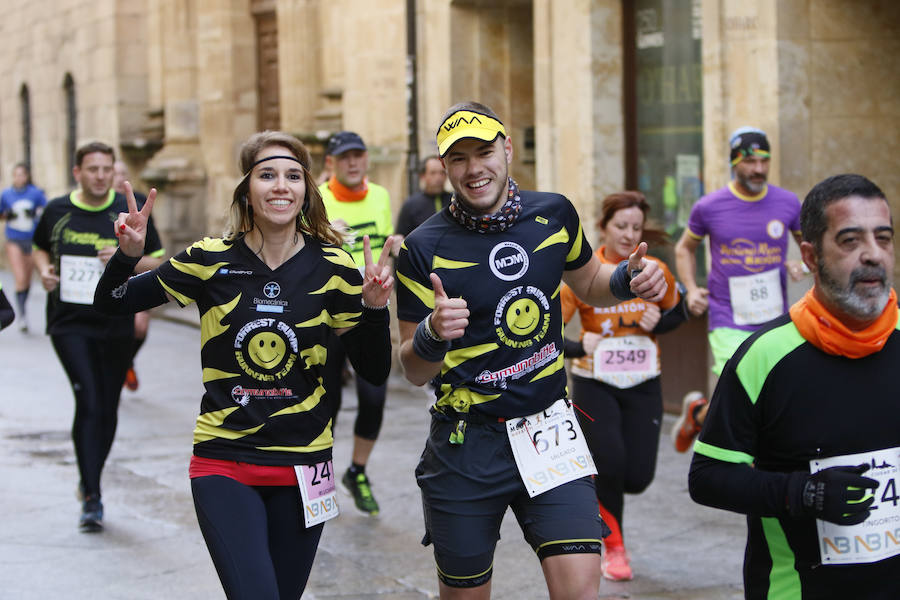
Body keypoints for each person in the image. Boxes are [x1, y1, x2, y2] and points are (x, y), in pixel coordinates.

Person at [93, 131, 394, 599]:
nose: (281, 186)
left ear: (307, 190)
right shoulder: (208, 260)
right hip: (225, 461)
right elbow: (111, 302)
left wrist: (374, 311)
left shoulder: (335, 267)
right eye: (267, 174)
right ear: (246, 190)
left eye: (294, 176)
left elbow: (374, 372)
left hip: (305, 465)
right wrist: (128, 259)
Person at [396, 101, 668, 599]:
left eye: (484, 151)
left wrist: (629, 278)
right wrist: (433, 333)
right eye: (458, 159)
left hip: (548, 430)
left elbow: (590, 282)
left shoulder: (554, 213)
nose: (474, 168)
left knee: (581, 590)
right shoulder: (422, 246)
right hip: (466, 444)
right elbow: (411, 367)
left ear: (506, 150)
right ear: (445, 167)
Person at [688, 173, 899, 598]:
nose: (872, 255)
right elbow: (708, 478)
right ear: (810, 255)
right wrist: (806, 493)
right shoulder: (764, 356)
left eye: (883, 237)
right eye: (850, 241)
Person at [32, 142, 165, 532]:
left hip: (115, 321)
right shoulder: (57, 210)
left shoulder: (132, 206)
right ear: (78, 172)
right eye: (92, 169)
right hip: (69, 321)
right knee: (88, 398)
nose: (101, 176)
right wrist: (43, 272)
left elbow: (157, 259)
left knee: (106, 406)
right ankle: (92, 494)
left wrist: (126, 258)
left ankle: (91, 476)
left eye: (107, 168)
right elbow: (40, 248)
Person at [560, 191, 687, 581]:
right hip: (594, 381)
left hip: (644, 378)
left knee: (638, 477)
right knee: (610, 464)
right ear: (603, 227)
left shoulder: (653, 270)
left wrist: (658, 322)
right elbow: (544, 333)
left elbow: (677, 312)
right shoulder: (587, 271)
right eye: (621, 226)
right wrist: (582, 344)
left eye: (636, 227)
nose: (629, 234)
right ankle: (614, 547)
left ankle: (690, 418)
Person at [671, 127, 803, 452]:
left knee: (769, 391)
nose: (758, 169)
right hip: (727, 316)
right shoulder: (709, 206)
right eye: (749, 161)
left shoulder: (787, 203)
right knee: (742, 385)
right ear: (734, 163)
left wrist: (802, 264)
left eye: (764, 161)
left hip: (774, 318)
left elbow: (811, 246)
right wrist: (691, 288)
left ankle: (698, 414)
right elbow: (683, 249)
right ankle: (754, 461)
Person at [318, 130, 395, 515]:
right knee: (326, 402)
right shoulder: (318, 198)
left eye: (358, 155)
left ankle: (357, 471)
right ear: (331, 162)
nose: (352, 162)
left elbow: (383, 249)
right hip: (328, 317)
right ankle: (321, 478)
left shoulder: (381, 196)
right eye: (344, 156)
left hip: (368, 313)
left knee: (375, 395)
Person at [112, 160, 150, 391]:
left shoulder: (140, 203)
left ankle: (127, 360)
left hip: (134, 278)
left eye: (123, 173)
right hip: (101, 282)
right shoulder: (95, 207)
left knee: (140, 328)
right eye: (114, 173)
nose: (118, 178)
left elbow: (156, 253)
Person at [0, 163, 47, 332]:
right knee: (19, 277)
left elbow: (45, 210)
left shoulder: (35, 193)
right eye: (16, 175)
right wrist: (7, 215)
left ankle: (23, 307)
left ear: (27, 176)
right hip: (14, 239)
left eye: (22, 175)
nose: (19, 178)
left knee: (26, 280)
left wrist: (35, 214)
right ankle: (22, 316)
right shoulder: (6, 194)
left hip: (31, 240)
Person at [396, 155, 452, 239]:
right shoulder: (411, 205)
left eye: (442, 173)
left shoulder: (454, 201)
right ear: (422, 176)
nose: (438, 178)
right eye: (433, 173)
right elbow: (401, 237)